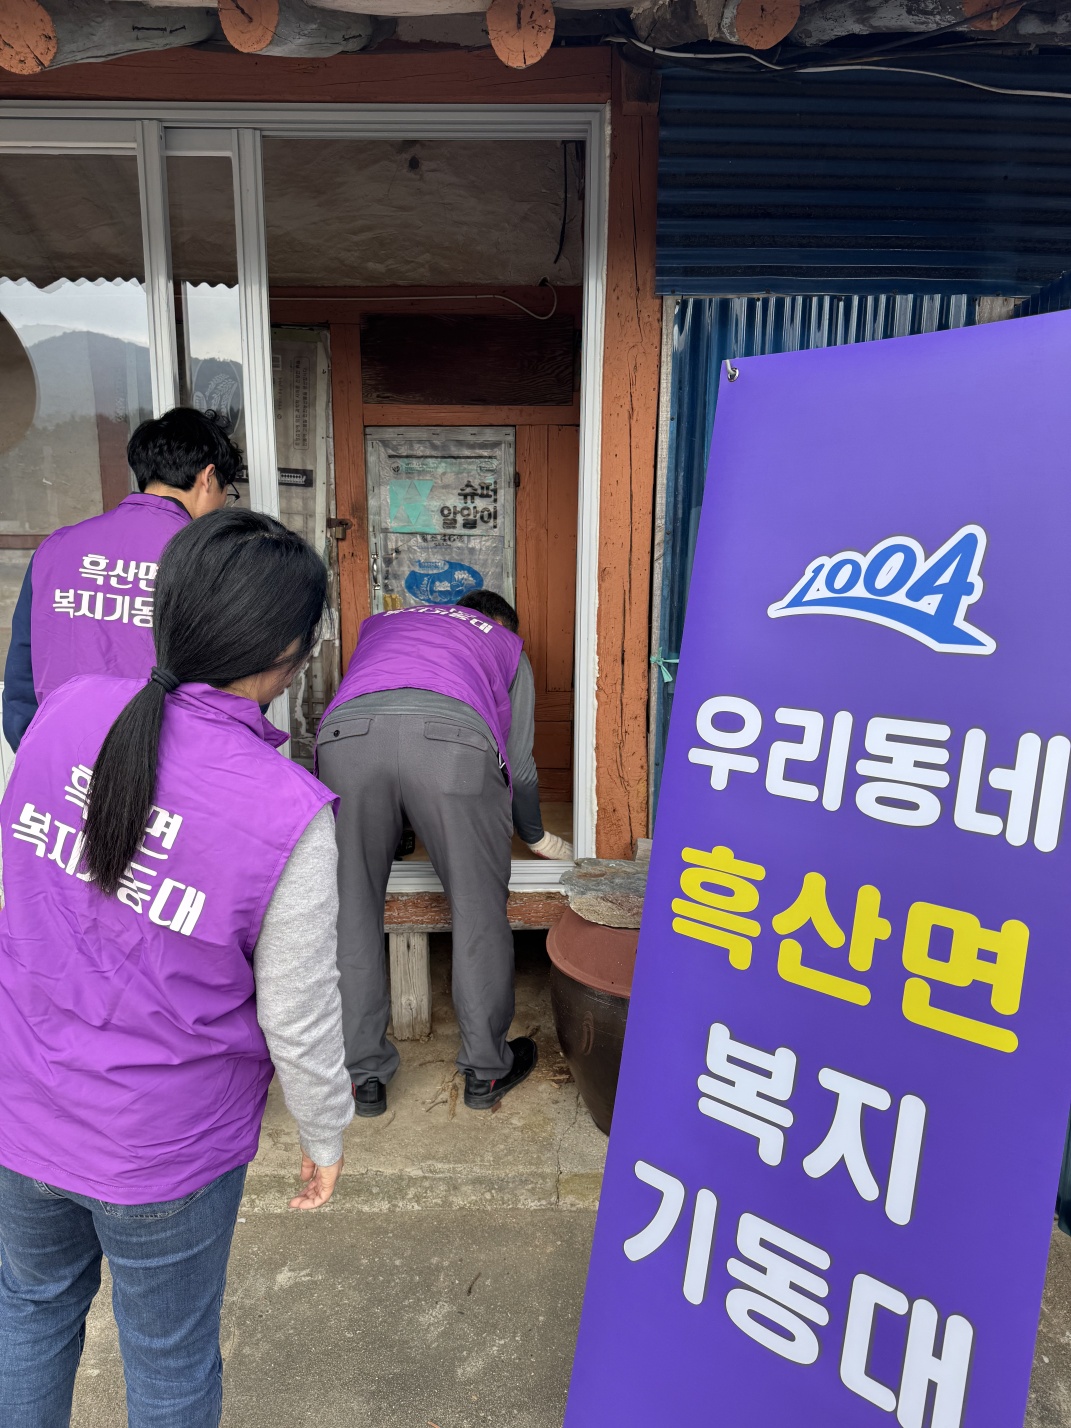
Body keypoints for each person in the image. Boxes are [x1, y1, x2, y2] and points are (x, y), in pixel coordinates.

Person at [0, 509, 353, 1427]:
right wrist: (324, 1131)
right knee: (168, 1361)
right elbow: (299, 1013)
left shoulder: (67, 710)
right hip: (161, 1146)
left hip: (24, 1106)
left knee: (29, 1315)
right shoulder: (287, 810)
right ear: (287, 653)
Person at [316, 588, 573, 1121]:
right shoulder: (504, 643)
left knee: (352, 908)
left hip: (346, 740)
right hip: (453, 742)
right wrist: (535, 836)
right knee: (478, 911)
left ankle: (362, 1077)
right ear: (500, 622)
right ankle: (486, 1069)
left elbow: (388, 718)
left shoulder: (385, 624)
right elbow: (521, 766)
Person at [2, 406, 242, 754]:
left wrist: (37, 752)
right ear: (208, 477)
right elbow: (241, 684)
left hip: (60, 755)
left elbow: (22, 674)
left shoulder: (56, 548)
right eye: (226, 492)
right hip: (165, 764)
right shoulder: (216, 560)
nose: (222, 505)